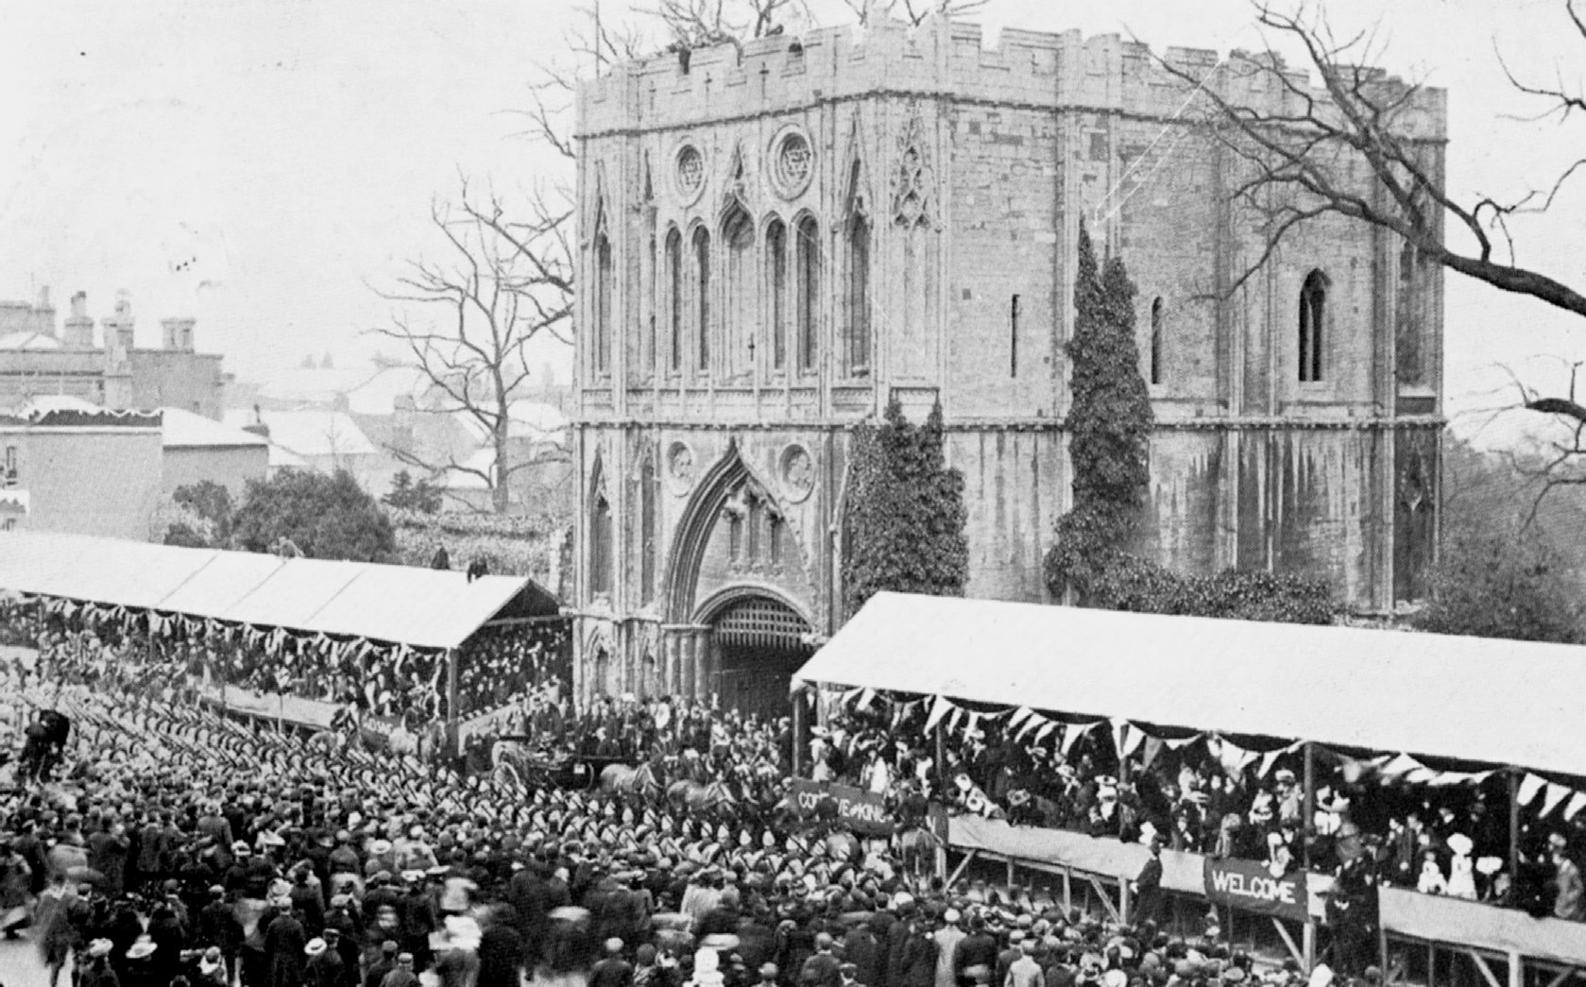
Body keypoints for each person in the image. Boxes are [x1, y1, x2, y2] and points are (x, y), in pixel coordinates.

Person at [1132, 836, 1165, 927]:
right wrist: (1136, 882)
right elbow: (1143, 874)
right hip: (1144, 892)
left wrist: (1138, 886)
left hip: (1150, 894)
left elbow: (1150, 880)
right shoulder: (1150, 862)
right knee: (1140, 912)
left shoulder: (1157, 865)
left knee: (1145, 914)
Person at [1550, 833, 1584, 921]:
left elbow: (1579, 888)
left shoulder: (1571, 869)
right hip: (1550, 907)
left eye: (1556, 848)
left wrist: (1567, 898)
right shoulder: (1550, 865)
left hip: (1564, 910)